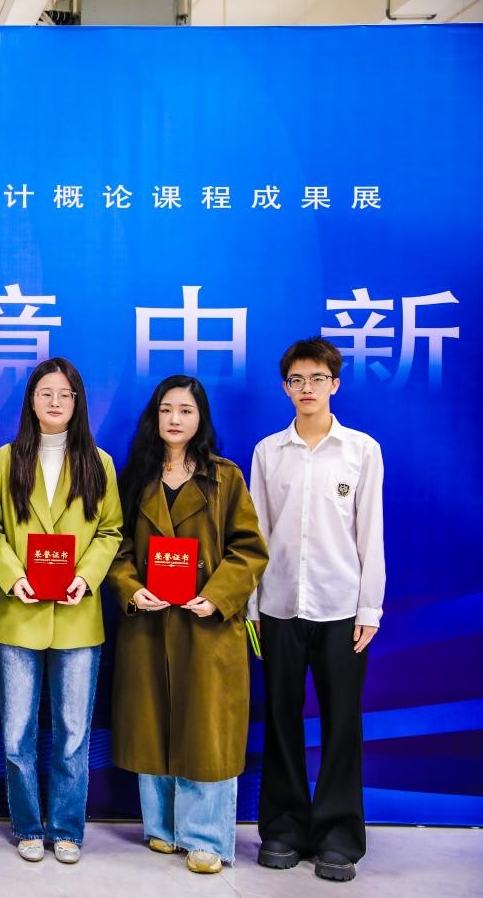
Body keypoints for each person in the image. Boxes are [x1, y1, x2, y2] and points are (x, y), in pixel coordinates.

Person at [107, 375, 268, 874]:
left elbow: (249, 549)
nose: (175, 419)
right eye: (166, 410)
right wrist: (131, 588)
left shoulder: (225, 477)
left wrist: (216, 596)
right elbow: (116, 545)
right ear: (154, 418)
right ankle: (162, 826)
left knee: (206, 730)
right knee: (153, 722)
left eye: (185, 410)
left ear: (201, 419)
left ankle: (205, 838)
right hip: (151, 623)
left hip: (206, 627)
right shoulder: (137, 477)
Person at [249, 337, 385, 883]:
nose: (307, 388)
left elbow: (370, 533)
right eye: (297, 380)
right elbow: (256, 533)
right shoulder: (268, 452)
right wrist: (253, 605)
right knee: (281, 720)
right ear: (286, 388)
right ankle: (284, 829)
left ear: (335, 384)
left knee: (341, 724)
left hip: (341, 607)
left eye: (318, 379)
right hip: (279, 605)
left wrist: (369, 607)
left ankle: (338, 837)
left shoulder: (361, 451)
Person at [0, 357, 122, 865]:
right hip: (16, 614)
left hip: (76, 617)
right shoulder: (5, 460)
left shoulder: (99, 463)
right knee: (16, 735)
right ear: (31, 401)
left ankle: (66, 828)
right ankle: (27, 825)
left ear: (77, 401)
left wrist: (85, 577)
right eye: (46, 393)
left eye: (65, 394)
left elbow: (110, 530)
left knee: (72, 735)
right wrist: (13, 576)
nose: (56, 402)